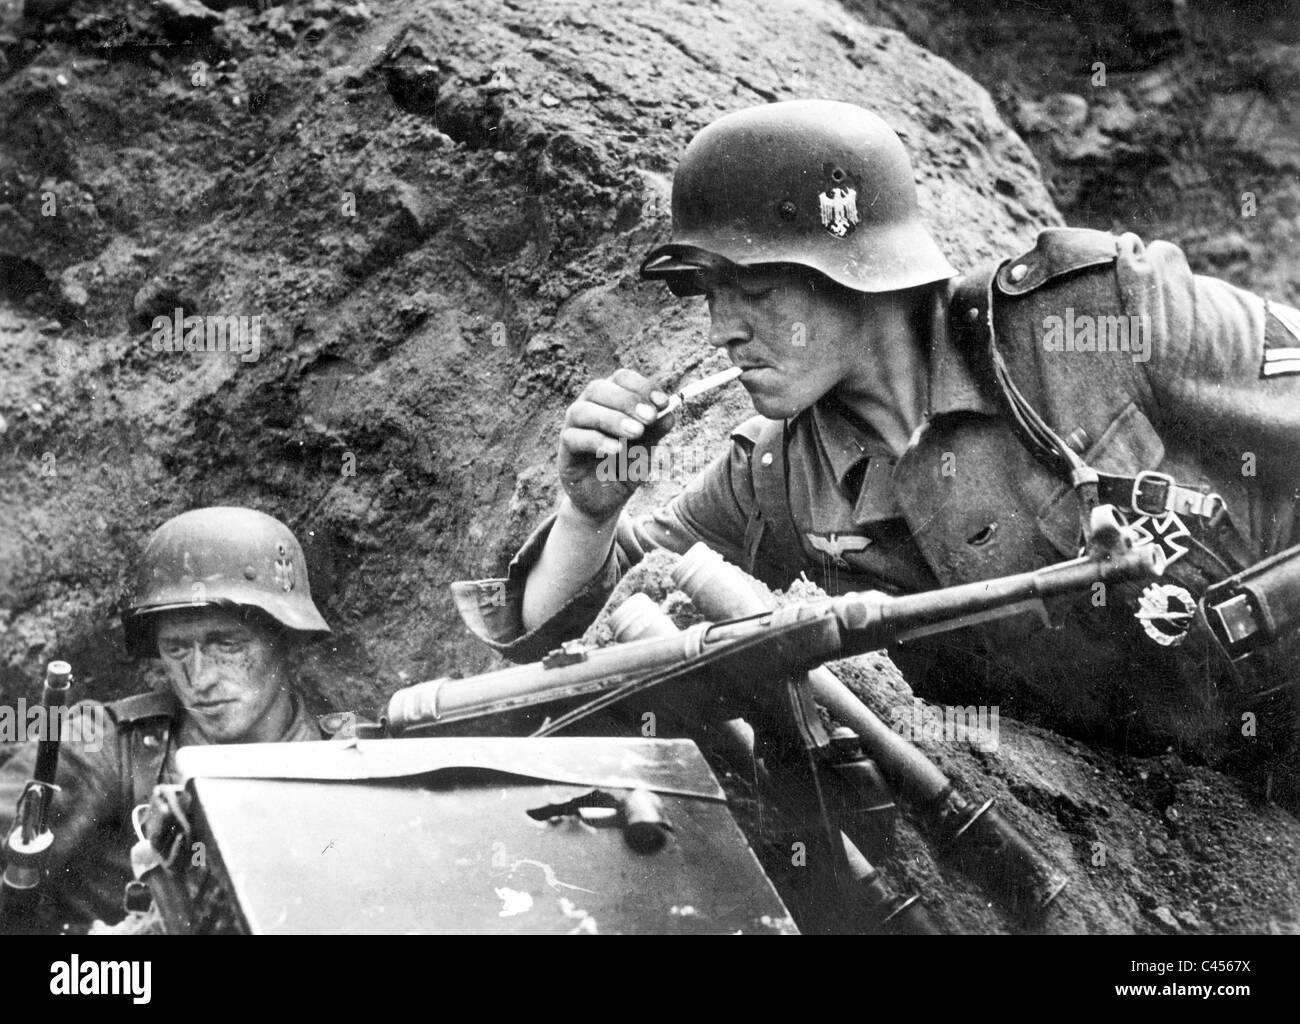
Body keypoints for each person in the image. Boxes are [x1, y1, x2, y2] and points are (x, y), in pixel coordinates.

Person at [453, 99, 1300, 807]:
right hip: (1175, 816)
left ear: (855, 266)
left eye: (753, 287)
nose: (722, 330)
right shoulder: (778, 478)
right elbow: (571, 629)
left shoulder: (1102, 318)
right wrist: (589, 512)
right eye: (709, 294)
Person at [0, 506, 333, 930]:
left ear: (286, 640)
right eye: (176, 648)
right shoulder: (107, 745)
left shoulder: (350, 764)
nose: (200, 678)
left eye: (226, 644)